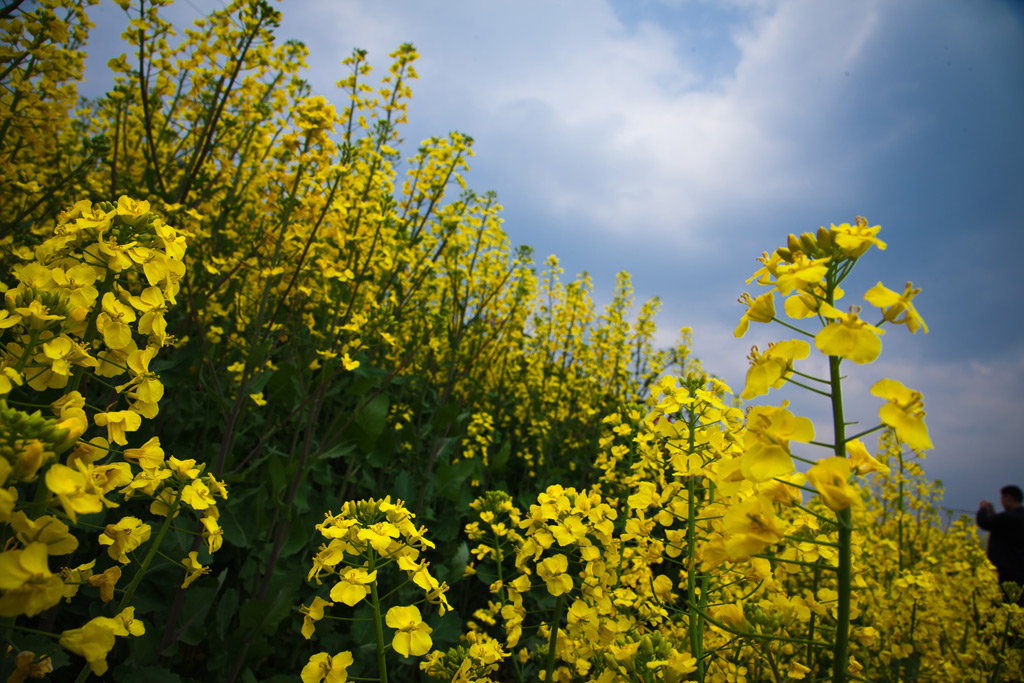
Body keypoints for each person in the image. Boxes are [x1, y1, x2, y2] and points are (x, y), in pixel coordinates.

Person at [977, 485, 1024, 601]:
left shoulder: (1008, 518)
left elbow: (985, 522)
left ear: (1008, 498)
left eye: (1002, 498)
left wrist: (983, 509)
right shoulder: (1017, 517)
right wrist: (993, 513)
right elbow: (998, 523)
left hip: (1007, 572)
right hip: (1021, 571)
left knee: (1005, 604)